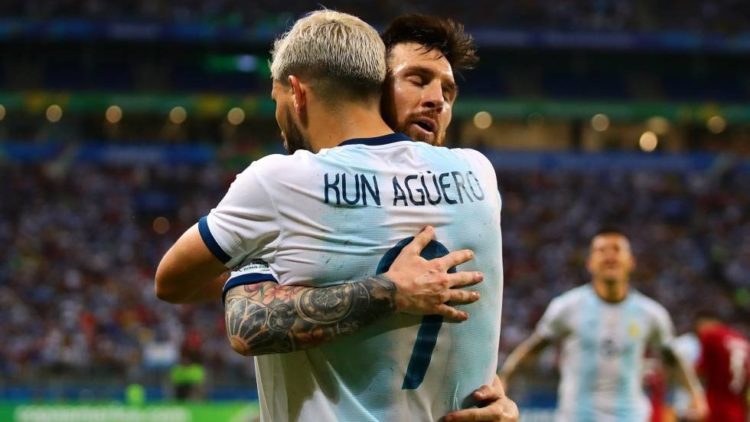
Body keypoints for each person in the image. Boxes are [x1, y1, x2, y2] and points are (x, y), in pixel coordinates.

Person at [156, 10, 513, 422]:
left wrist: (254, 262)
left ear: (296, 92)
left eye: (448, 90)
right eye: (417, 80)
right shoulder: (479, 175)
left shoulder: (283, 183)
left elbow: (176, 284)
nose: (436, 100)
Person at [498, 229, 707, 421]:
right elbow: (534, 348)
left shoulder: (651, 314)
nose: (609, 256)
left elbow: (672, 358)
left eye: (616, 249)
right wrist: (505, 377)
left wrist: (696, 394)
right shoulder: (566, 307)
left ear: (631, 261)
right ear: (590, 263)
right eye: (601, 250)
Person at [694, 310, 750, 422]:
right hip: (739, 409)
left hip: (717, 407)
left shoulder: (710, 336)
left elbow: (699, 370)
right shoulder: (741, 338)